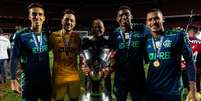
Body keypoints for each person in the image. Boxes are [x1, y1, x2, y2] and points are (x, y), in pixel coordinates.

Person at [145, 8, 196, 101]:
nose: (153, 22)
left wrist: (192, 89)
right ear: (146, 23)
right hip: (152, 90)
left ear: (163, 19)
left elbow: (190, 61)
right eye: (150, 20)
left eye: (156, 18)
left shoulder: (177, 35)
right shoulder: (145, 40)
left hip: (172, 91)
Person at [10, 2, 52, 101]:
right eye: (34, 14)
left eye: (40, 14)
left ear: (44, 18)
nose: (37, 17)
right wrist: (13, 79)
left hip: (45, 81)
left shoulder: (48, 35)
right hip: (28, 81)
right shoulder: (20, 35)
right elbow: (14, 57)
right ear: (29, 16)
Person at [109, 6, 149, 101]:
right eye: (120, 15)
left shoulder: (141, 28)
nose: (124, 17)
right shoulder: (114, 34)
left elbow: (157, 34)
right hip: (120, 78)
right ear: (117, 19)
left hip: (138, 77)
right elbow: (109, 53)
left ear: (131, 16)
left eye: (126, 14)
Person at [49, 9, 81, 101]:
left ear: (74, 23)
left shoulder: (77, 37)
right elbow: (42, 53)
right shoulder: (53, 36)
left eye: (72, 21)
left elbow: (81, 54)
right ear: (61, 21)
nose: (69, 22)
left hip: (74, 77)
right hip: (59, 78)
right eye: (66, 19)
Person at [81, 19, 112, 100]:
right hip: (89, 82)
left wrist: (110, 68)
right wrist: (83, 67)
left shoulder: (109, 44)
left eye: (99, 27)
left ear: (104, 29)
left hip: (105, 83)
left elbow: (114, 61)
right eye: (95, 27)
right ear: (91, 29)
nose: (97, 29)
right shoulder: (85, 44)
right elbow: (81, 61)